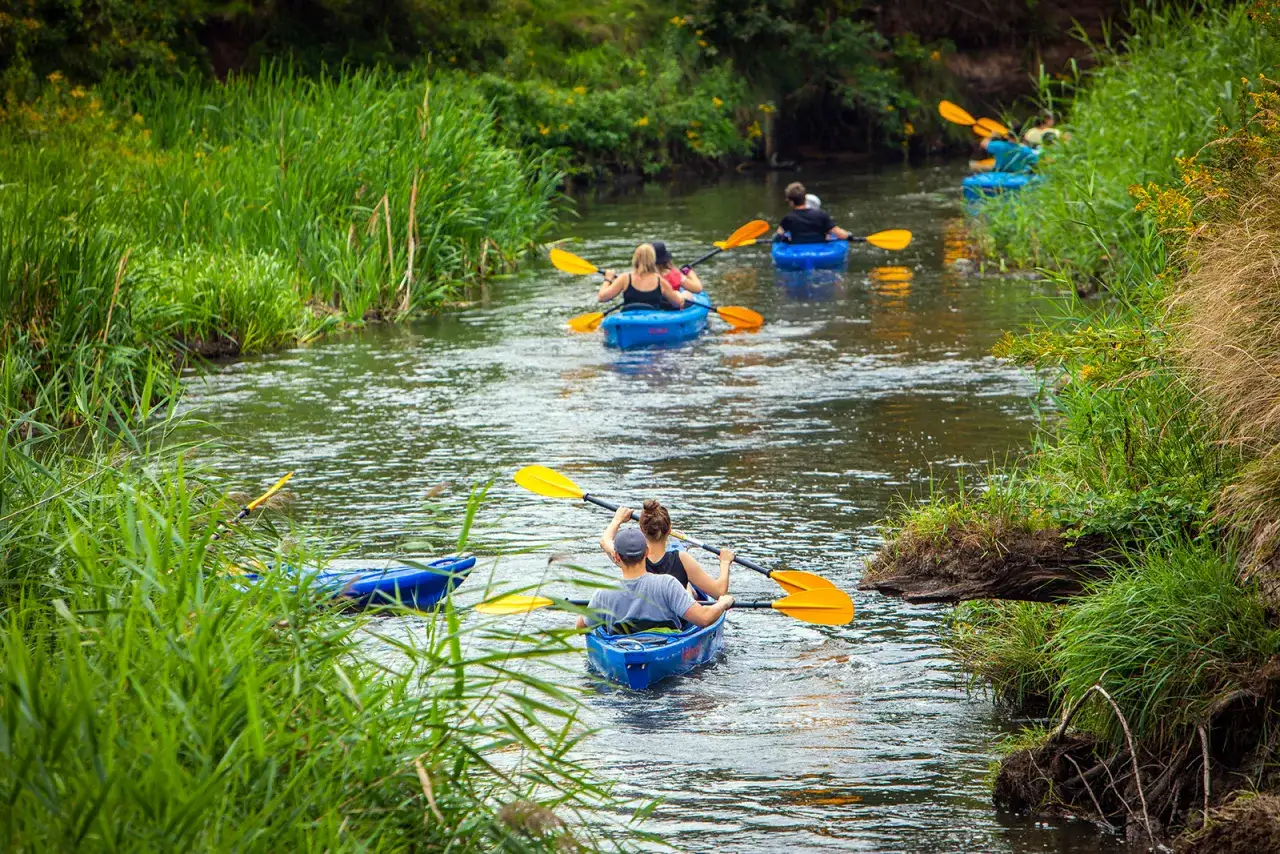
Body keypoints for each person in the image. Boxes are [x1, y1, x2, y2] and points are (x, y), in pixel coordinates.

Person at [578, 520, 733, 634]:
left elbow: (580, 628)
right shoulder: (668, 584)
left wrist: (592, 608)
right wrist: (722, 603)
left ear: (617, 557)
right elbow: (704, 619)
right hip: (665, 650)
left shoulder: (603, 593)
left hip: (621, 650)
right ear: (646, 552)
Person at [600, 499, 732, 597]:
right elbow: (719, 592)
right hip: (676, 622)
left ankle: (690, 590)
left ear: (641, 529)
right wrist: (725, 562)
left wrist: (617, 519)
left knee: (689, 590)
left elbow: (605, 542)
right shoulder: (682, 559)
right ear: (669, 530)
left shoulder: (632, 557)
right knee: (688, 589)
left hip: (641, 620)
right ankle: (690, 590)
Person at [598, 243, 687, 310]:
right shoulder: (660, 281)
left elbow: (602, 297)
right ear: (653, 260)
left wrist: (607, 279)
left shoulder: (625, 278)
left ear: (635, 258)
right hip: (652, 323)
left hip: (629, 321)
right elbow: (678, 303)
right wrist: (679, 295)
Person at [775, 182, 849, 244]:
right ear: (805, 198)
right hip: (821, 251)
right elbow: (840, 234)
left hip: (797, 251)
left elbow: (778, 236)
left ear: (790, 201)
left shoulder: (788, 218)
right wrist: (849, 236)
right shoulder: (821, 215)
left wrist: (785, 239)